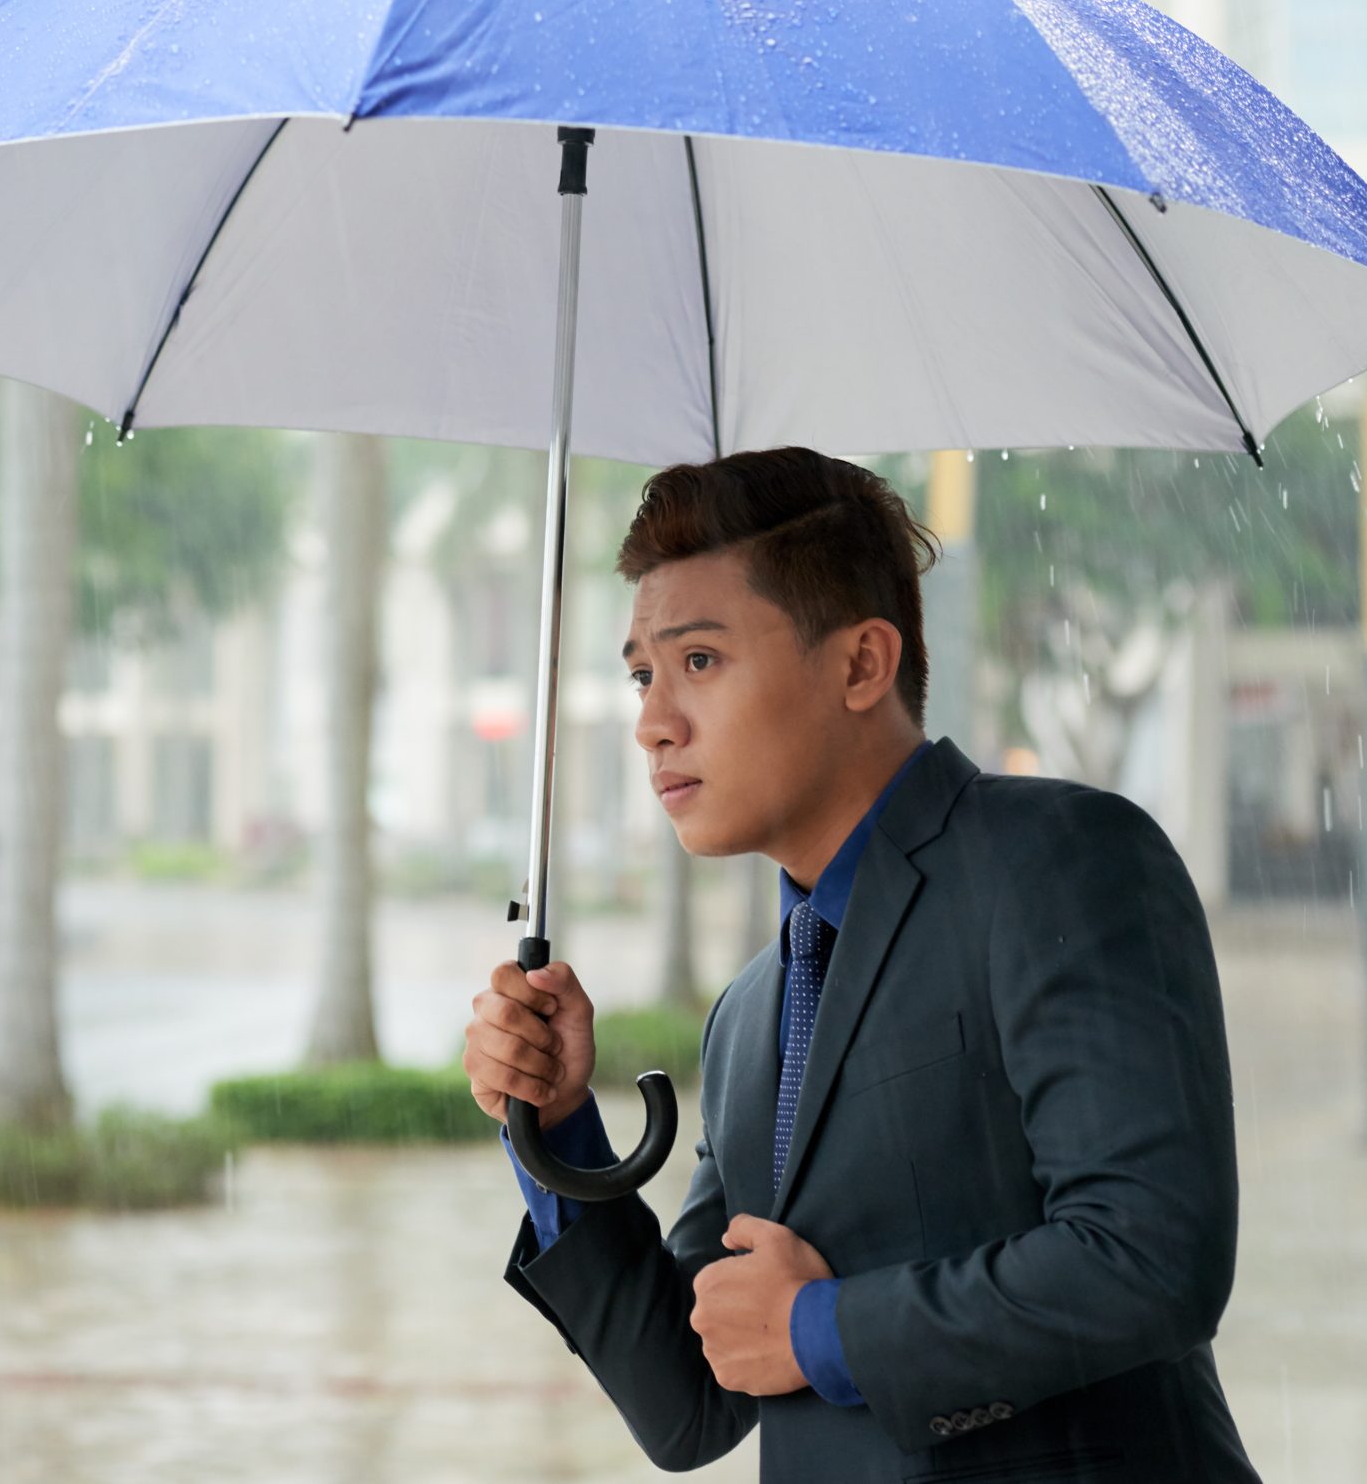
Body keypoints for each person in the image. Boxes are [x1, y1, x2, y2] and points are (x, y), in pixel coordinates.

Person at [461, 448, 1259, 1481]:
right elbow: (690, 1401)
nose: (653, 720)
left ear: (860, 664)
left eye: (698, 660)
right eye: (642, 673)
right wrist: (554, 1121)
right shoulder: (749, 1015)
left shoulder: (1059, 859)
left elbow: (1151, 1254)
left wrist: (821, 1329)